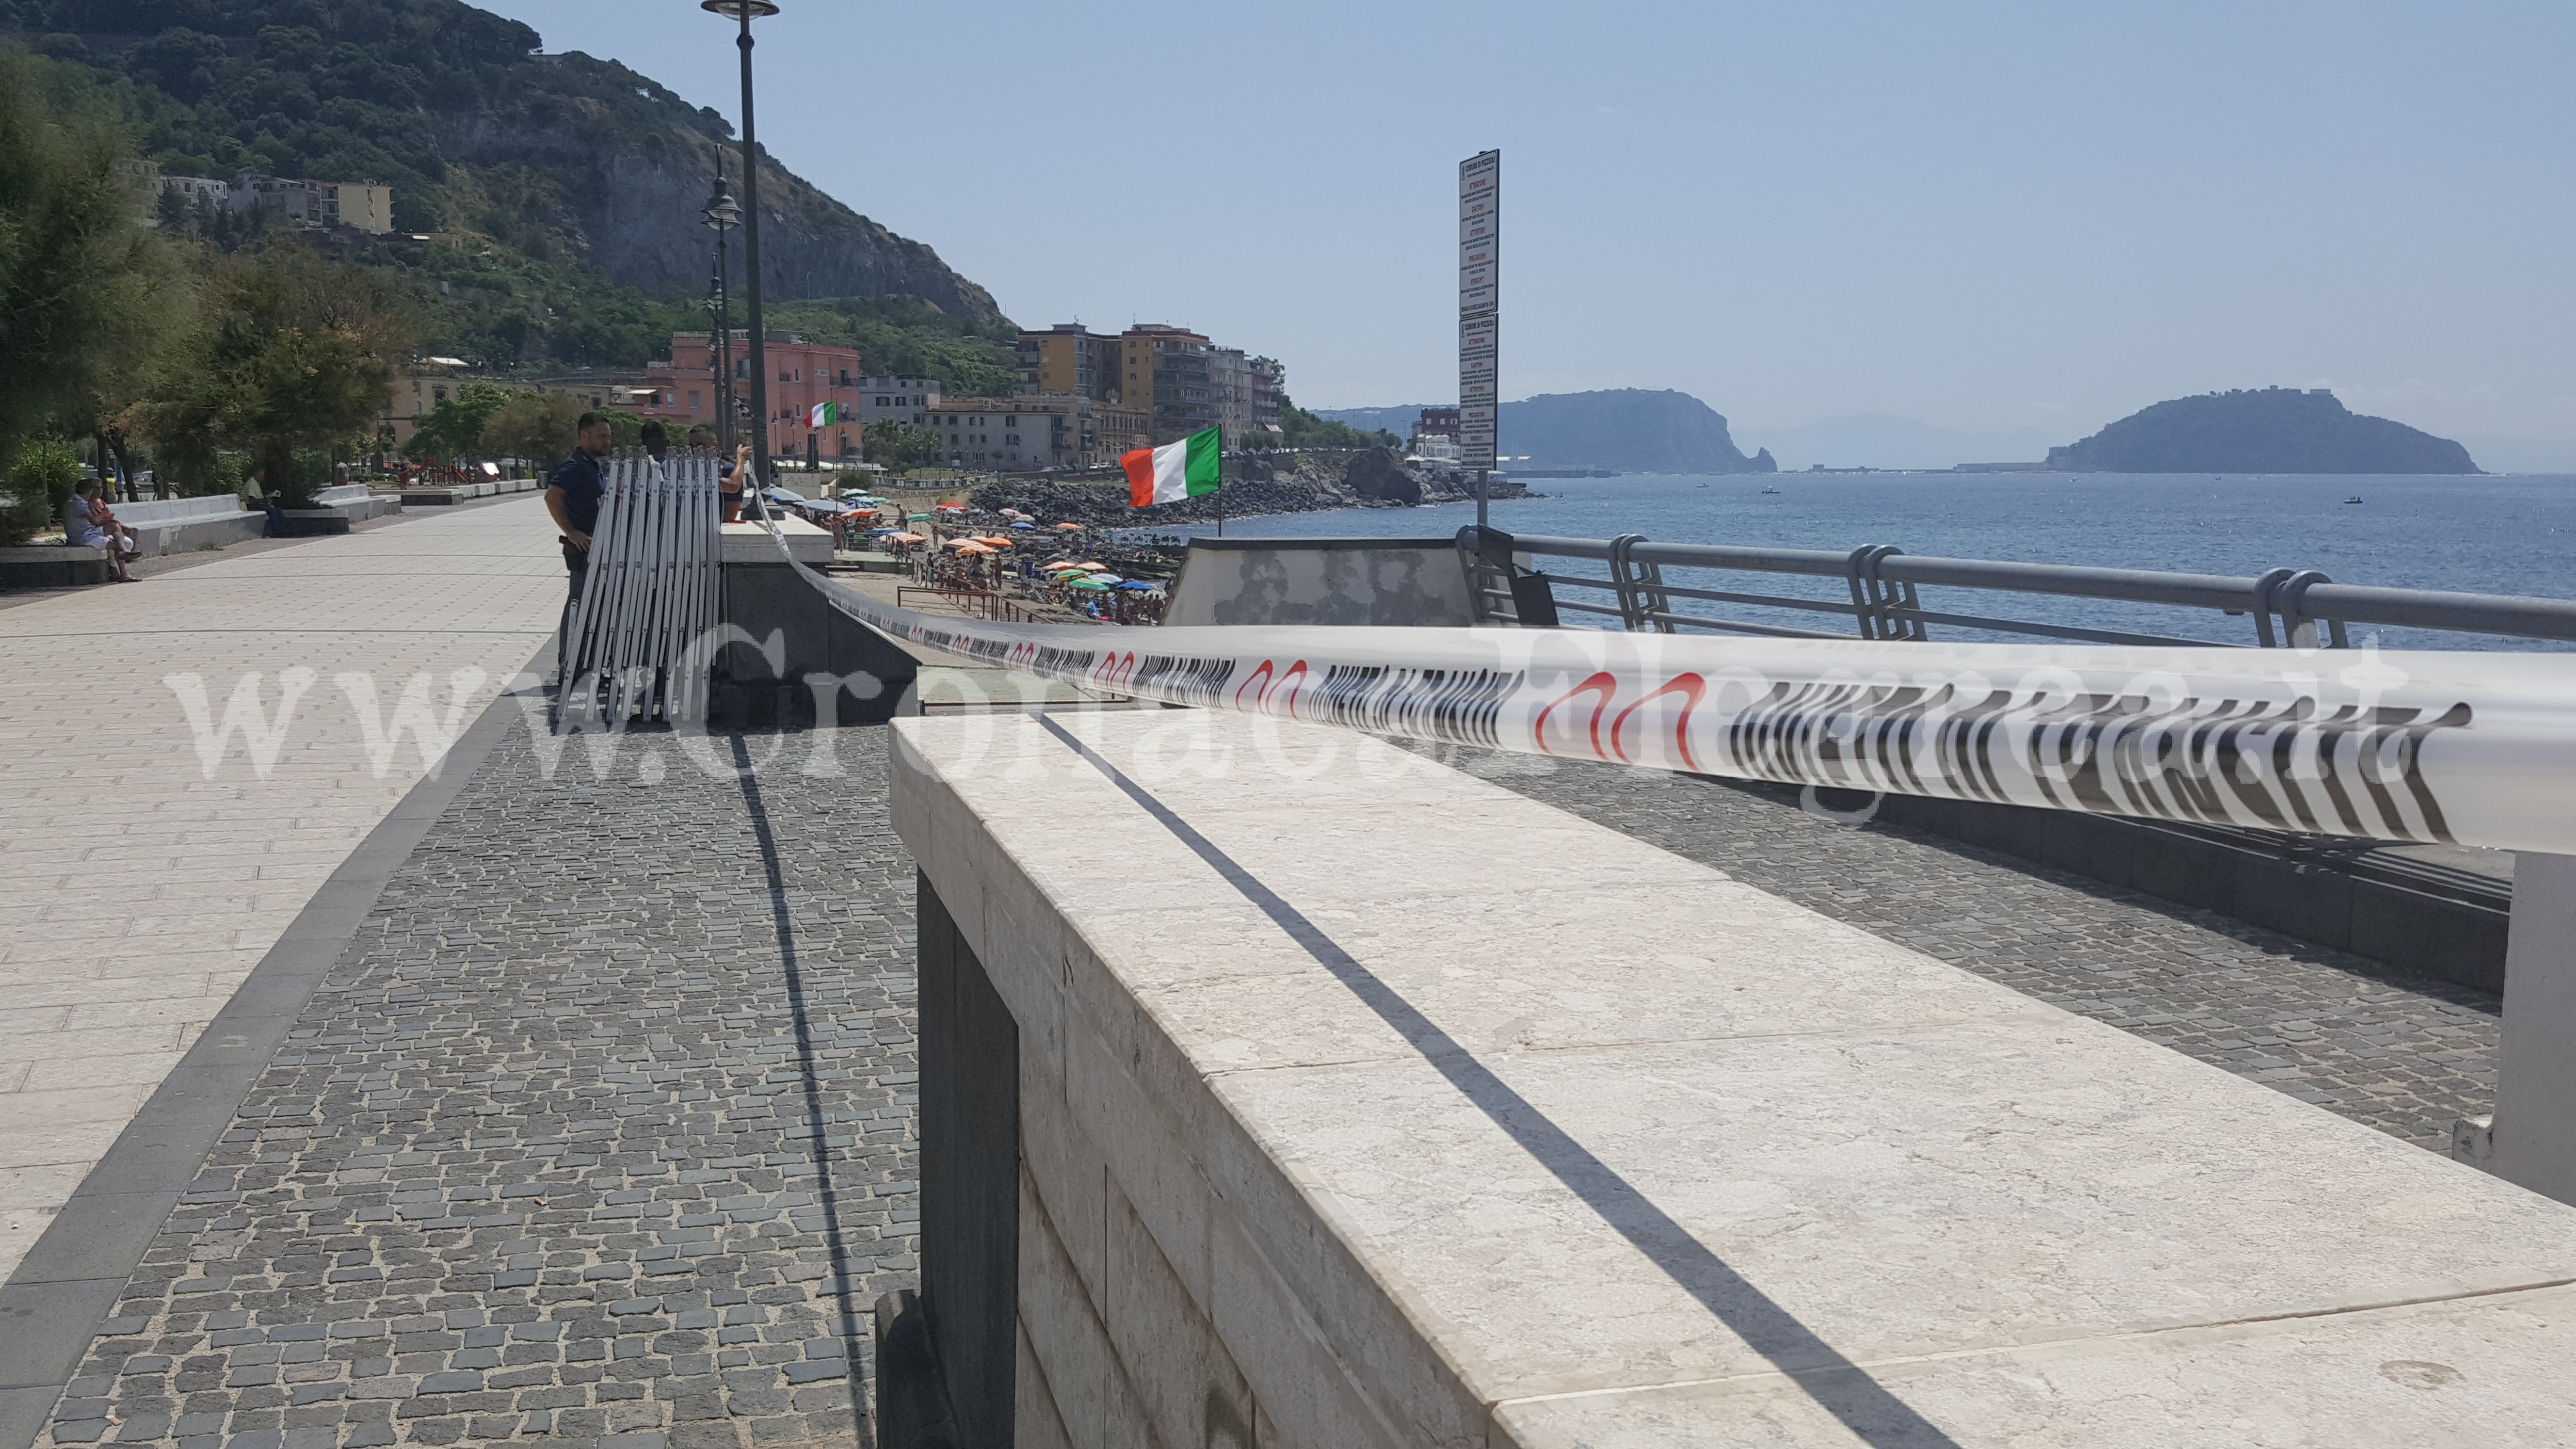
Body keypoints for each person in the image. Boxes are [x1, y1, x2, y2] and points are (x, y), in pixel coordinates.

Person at [544, 412, 614, 680]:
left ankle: (585, 664)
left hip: (597, 551)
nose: (607, 441)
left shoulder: (592, 465)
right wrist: (572, 532)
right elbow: (552, 496)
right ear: (584, 436)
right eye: (602, 436)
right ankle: (568, 664)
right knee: (578, 606)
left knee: (590, 607)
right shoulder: (575, 466)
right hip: (583, 552)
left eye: (608, 436)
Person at [65, 481, 136, 581]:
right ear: (89, 491)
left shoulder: (81, 502)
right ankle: (123, 573)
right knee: (118, 546)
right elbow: (95, 520)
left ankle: (123, 556)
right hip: (82, 537)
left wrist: (115, 523)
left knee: (114, 527)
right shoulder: (77, 504)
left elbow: (97, 522)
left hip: (90, 532)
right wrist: (104, 513)